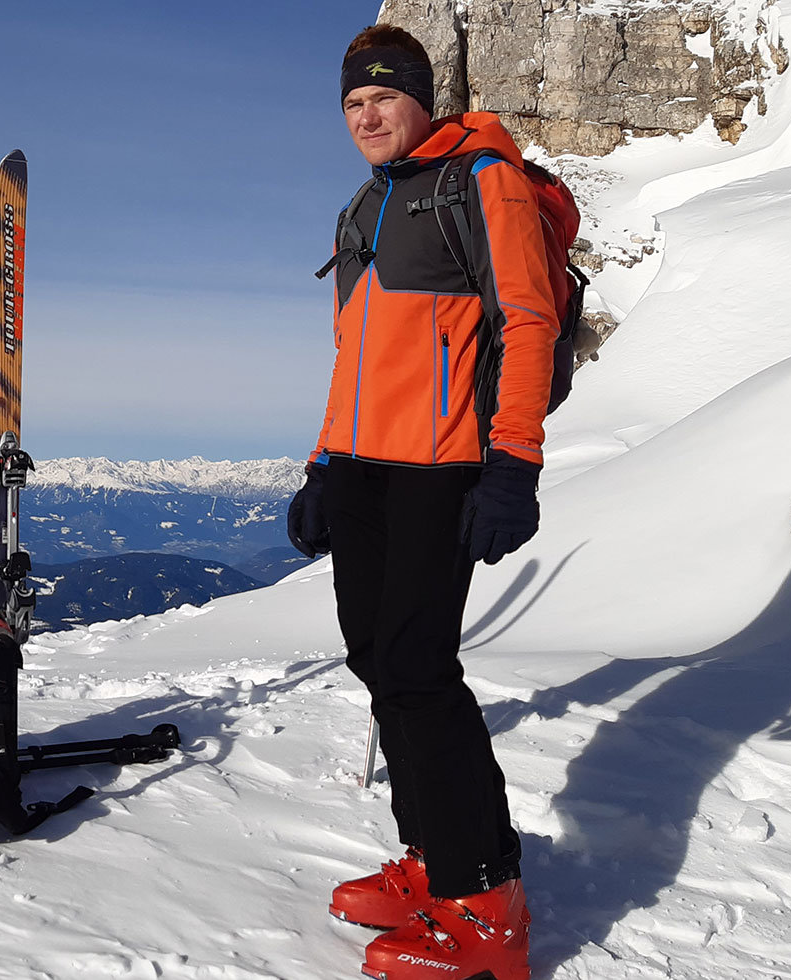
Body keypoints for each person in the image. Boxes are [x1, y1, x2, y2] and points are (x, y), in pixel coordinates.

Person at [284, 22, 557, 980]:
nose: (367, 114)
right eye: (353, 102)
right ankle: (436, 859)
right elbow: (350, 354)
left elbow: (528, 320)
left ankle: (486, 903)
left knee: (418, 668)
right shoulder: (363, 207)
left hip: (442, 469)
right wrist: (323, 465)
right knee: (376, 659)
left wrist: (512, 462)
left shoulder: (480, 181)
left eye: (383, 97)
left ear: (420, 99)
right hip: (361, 469)